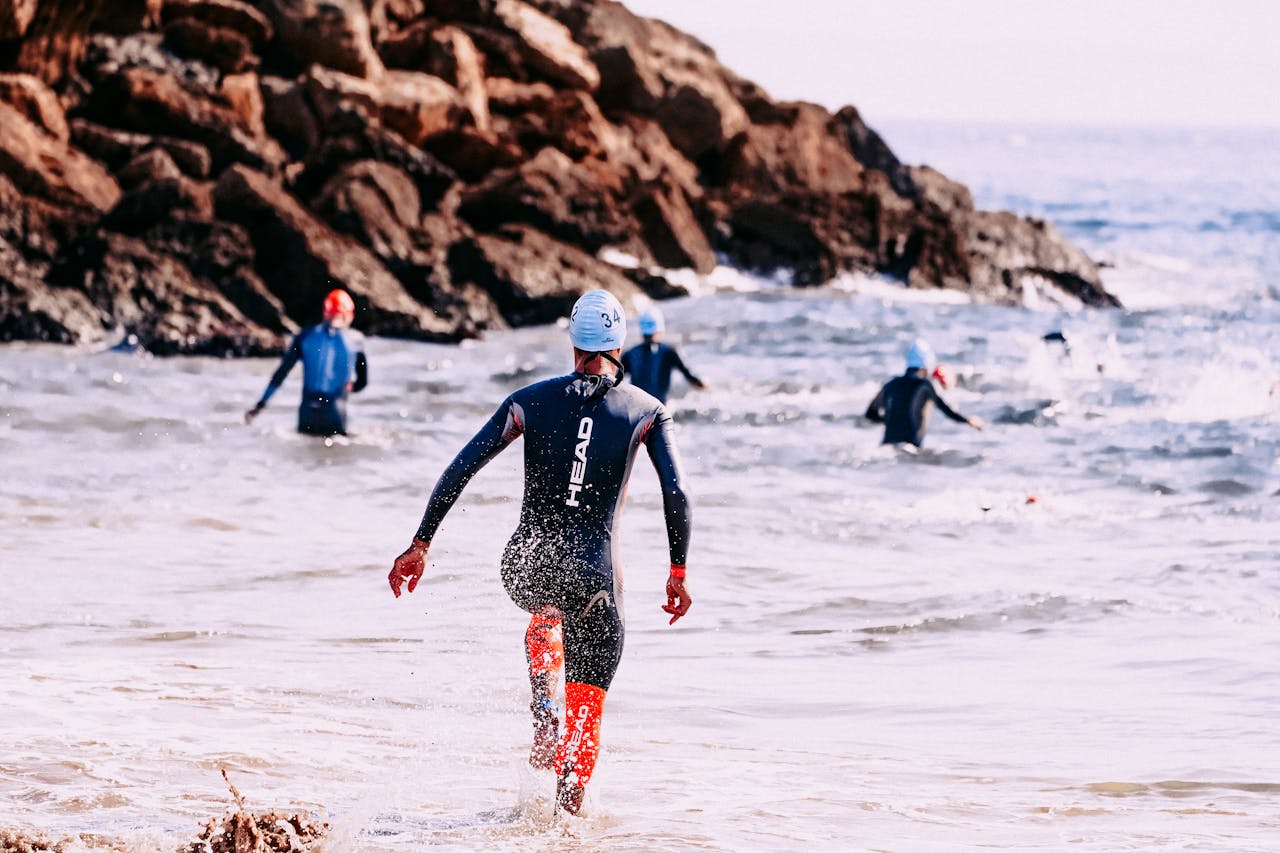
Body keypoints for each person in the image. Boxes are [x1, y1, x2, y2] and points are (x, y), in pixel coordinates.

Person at [387, 289, 693, 815]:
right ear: (619, 343)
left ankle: (544, 706)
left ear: (573, 341)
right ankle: (566, 822)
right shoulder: (647, 411)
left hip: (525, 565)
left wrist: (421, 542)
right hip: (594, 579)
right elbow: (676, 492)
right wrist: (678, 571)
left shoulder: (528, 400)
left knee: (547, 605)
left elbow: (464, 465)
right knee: (587, 708)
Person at [244, 289, 368, 436]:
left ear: (325, 313)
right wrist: (349, 387)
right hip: (335, 414)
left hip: (307, 414)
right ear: (349, 315)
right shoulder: (356, 340)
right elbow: (362, 382)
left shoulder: (305, 336)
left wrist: (261, 404)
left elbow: (281, 373)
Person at [865, 339, 983, 447]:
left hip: (887, 446)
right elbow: (945, 409)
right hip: (909, 448)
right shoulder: (924, 385)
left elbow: (870, 414)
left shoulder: (890, 385)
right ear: (926, 365)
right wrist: (967, 420)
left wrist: (892, 420)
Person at [620, 306, 705, 403]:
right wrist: (702, 384)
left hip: (637, 408)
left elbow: (616, 381)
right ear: (660, 328)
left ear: (642, 330)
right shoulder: (669, 351)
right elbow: (689, 375)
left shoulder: (630, 354)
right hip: (660, 408)